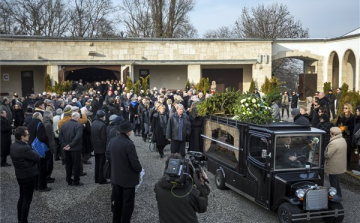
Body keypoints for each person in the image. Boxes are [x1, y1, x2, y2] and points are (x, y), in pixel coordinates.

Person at [154, 153, 210, 223]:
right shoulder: (189, 190)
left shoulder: (158, 186)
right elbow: (202, 208)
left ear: (166, 168)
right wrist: (202, 184)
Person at [106, 119, 142, 223]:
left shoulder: (113, 140)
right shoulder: (128, 144)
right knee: (128, 203)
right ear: (128, 132)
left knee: (117, 201)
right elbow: (134, 162)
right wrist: (139, 170)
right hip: (127, 179)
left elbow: (108, 154)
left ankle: (116, 220)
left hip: (116, 176)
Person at [10, 126, 40, 223]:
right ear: (22, 137)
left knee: (22, 197)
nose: (29, 136)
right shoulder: (25, 148)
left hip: (20, 175)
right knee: (27, 199)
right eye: (27, 134)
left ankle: (20, 219)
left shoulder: (13, 145)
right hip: (28, 175)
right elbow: (37, 158)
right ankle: (23, 220)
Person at [27, 112, 51, 192]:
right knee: (42, 168)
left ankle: (35, 185)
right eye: (41, 116)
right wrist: (47, 142)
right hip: (39, 149)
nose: (42, 118)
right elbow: (42, 137)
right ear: (38, 117)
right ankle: (42, 186)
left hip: (31, 148)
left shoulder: (29, 124)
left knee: (35, 168)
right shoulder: (40, 124)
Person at [59, 112, 84, 186]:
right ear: (76, 118)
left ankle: (69, 180)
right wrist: (70, 145)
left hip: (66, 148)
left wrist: (65, 145)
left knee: (68, 165)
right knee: (76, 165)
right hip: (75, 148)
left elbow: (61, 136)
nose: (79, 119)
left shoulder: (65, 125)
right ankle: (76, 181)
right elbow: (78, 137)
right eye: (79, 117)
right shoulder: (78, 126)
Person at [325, 127, 347, 199]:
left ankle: (335, 195)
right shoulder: (342, 140)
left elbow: (328, 155)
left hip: (333, 164)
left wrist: (322, 153)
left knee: (333, 180)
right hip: (339, 164)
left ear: (333, 134)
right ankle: (339, 194)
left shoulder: (333, 143)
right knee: (335, 179)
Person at [336, 103, 355, 169]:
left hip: (348, 135)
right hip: (341, 134)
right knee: (340, 149)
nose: (344, 109)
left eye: (346, 108)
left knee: (348, 150)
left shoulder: (352, 116)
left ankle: (348, 164)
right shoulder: (341, 116)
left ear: (349, 109)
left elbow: (353, 126)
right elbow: (337, 124)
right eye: (344, 108)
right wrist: (340, 127)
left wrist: (346, 127)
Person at [91, 110, 108, 184]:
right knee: (102, 164)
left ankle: (96, 178)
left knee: (97, 163)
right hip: (102, 147)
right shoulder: (102, 125)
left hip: (96, 146)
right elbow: (104, 138)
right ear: (103, 116)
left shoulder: (94, 123)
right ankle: (102, 179)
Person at [43, 111, 56, 183]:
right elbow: (49, 137)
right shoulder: (48, 124)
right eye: (52, 115)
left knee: (49, 162)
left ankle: (48, 176)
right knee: (49, 162)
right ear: (49, 116)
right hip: (48, 146)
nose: (52, 116)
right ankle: (47, 177)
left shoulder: (46, 122)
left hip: (48, 146)